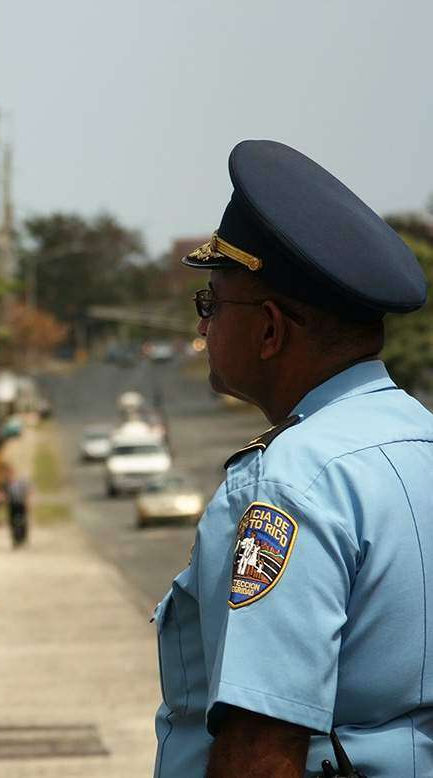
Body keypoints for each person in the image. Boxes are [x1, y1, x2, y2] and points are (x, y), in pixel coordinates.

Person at [152, 139, 432, 777]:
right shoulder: (422, 438)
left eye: (211, 305)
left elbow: (262, 748)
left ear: (271, 329)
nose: (202, 328)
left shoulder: (288, 483)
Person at [2, 465, 30, 548]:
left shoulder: (20, 482)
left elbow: (26, 492)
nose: (8, 475)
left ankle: (22, 538)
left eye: (9, 473)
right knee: (12, 523)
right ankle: (15, 539)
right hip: (12, 505)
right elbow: (4, 494)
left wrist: (27, 503)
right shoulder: (5, 483)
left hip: (21, 503)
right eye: (7, 474)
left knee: (22, 521)